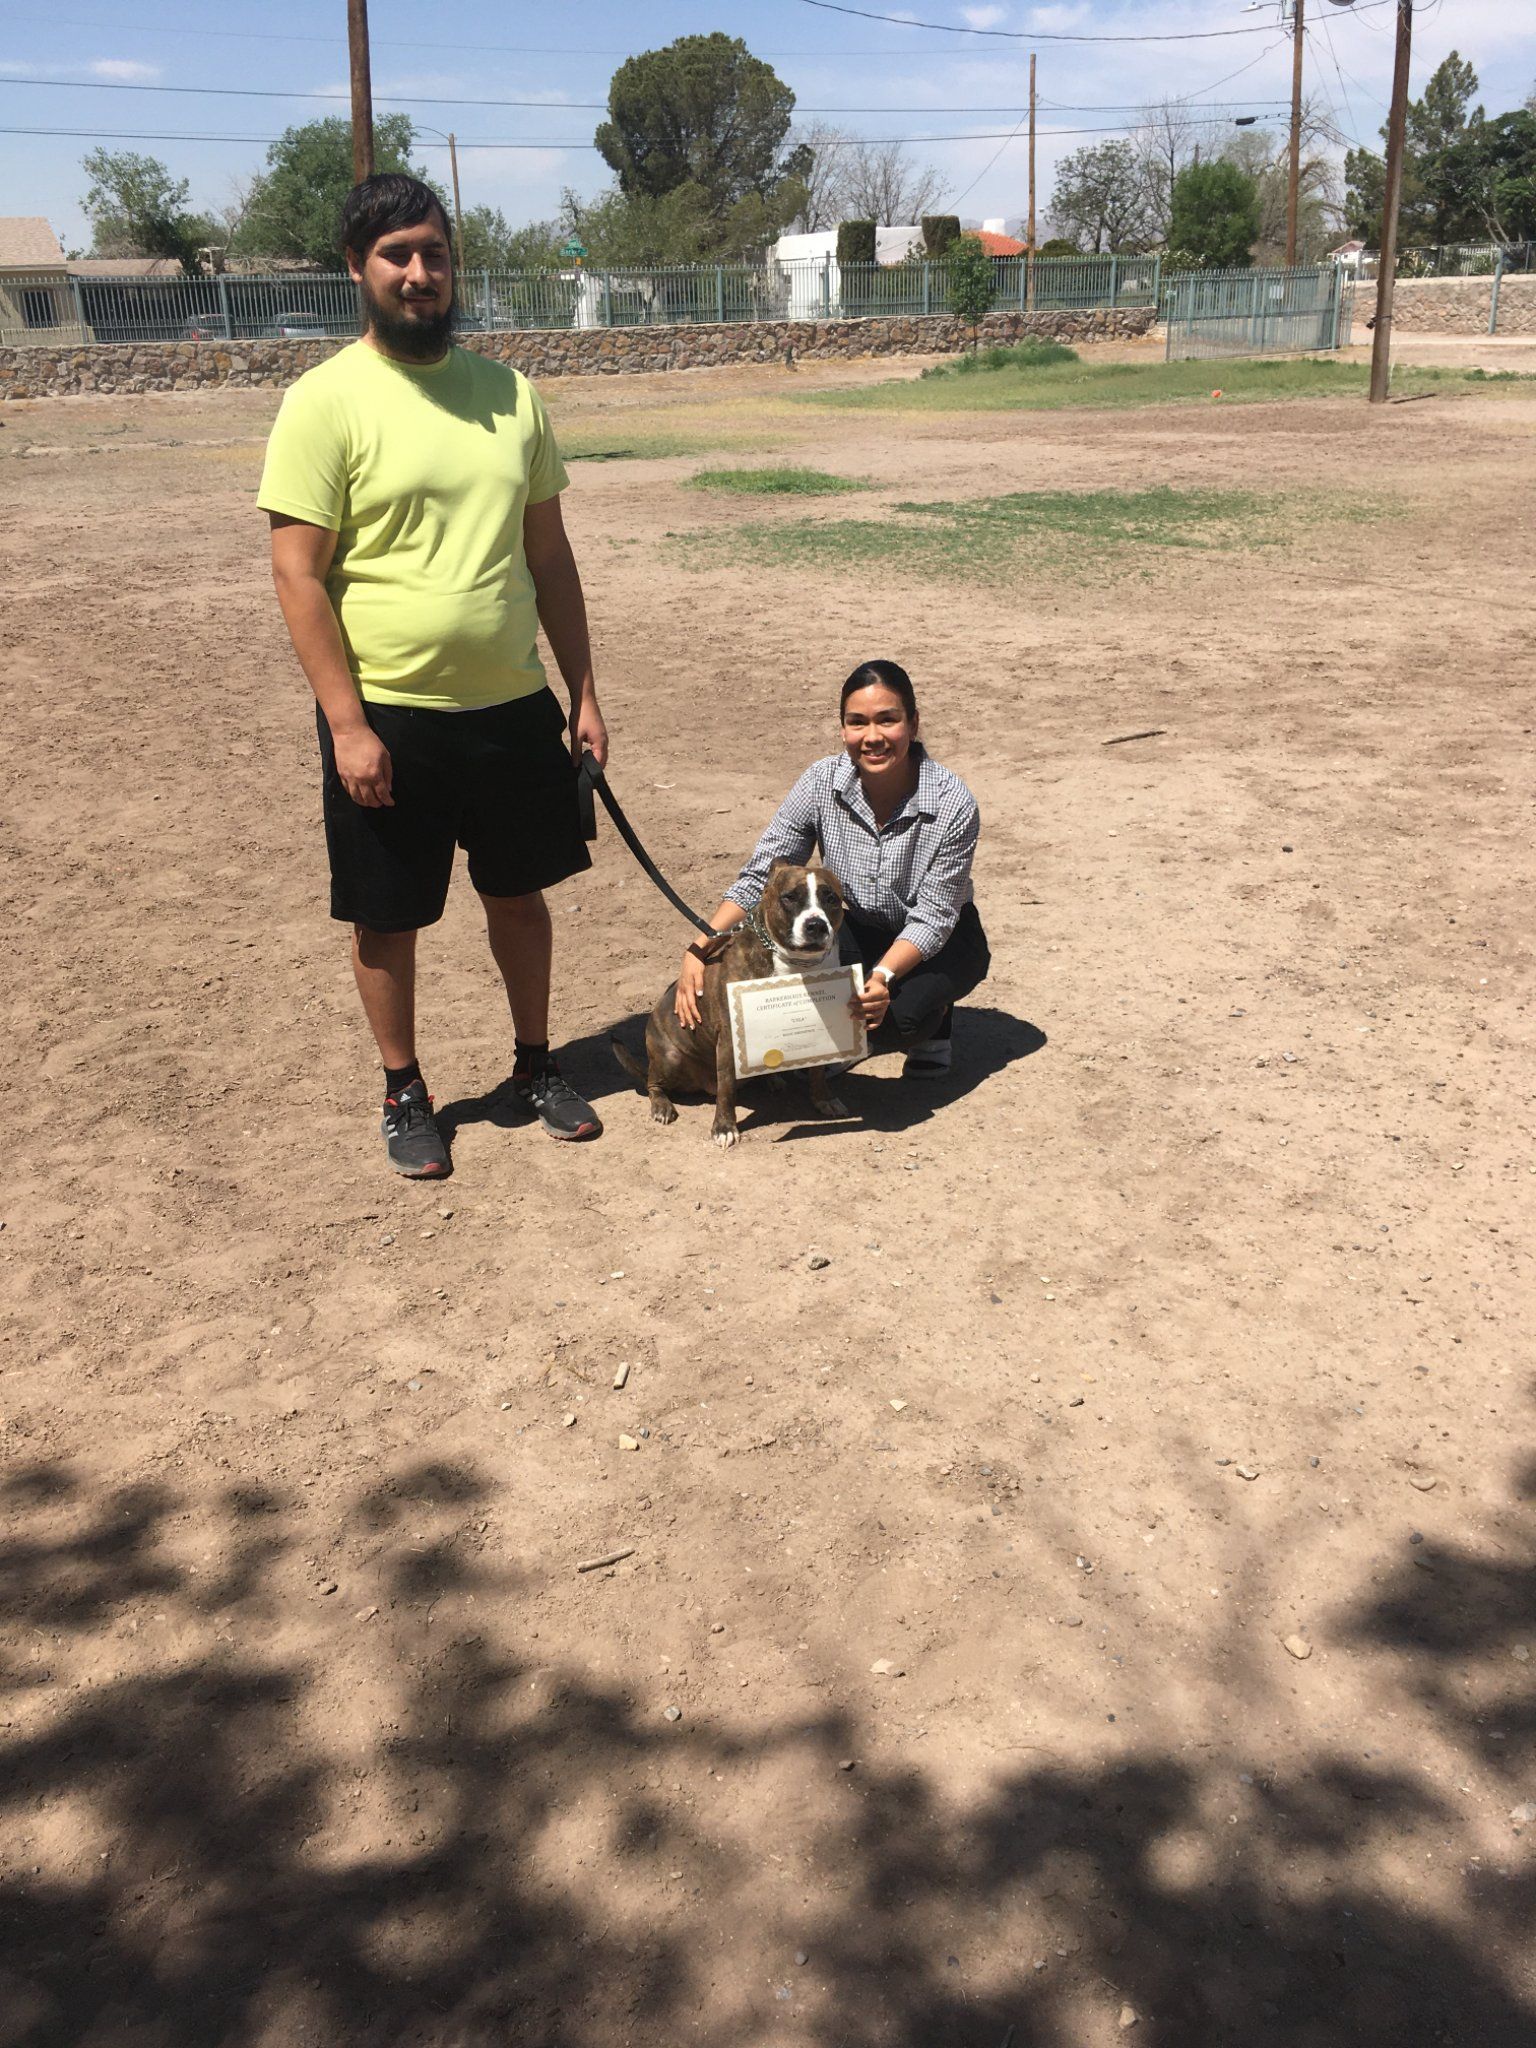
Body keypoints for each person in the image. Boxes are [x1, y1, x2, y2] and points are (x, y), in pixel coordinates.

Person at [258, 173, 607, 1177]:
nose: (420, 273)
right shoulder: (324, 401)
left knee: (521, 897)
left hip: (509, 704)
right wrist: (346, 723)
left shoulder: (511, 394)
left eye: (435, 253)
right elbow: (297, 573)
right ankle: (403, 1086)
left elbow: (550, 559)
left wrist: (582, 691)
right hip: (390, 718)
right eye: (397, 255)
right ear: (359, 272)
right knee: (388, 913)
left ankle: (536, 1063)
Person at [676, 661, 989, 1074]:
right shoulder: (820, 782)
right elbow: (763, 874)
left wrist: (882, 977)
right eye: (857, 723)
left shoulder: (953, 803)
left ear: (913, 724)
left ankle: (936, 1019)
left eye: (888, 720)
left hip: (943, 939)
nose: (872, 737)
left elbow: (934, 916)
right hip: (857, 926)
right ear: (843, 730)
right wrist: (700, 946)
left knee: (901, 1018)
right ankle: (850, 1031)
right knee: (813, 995)